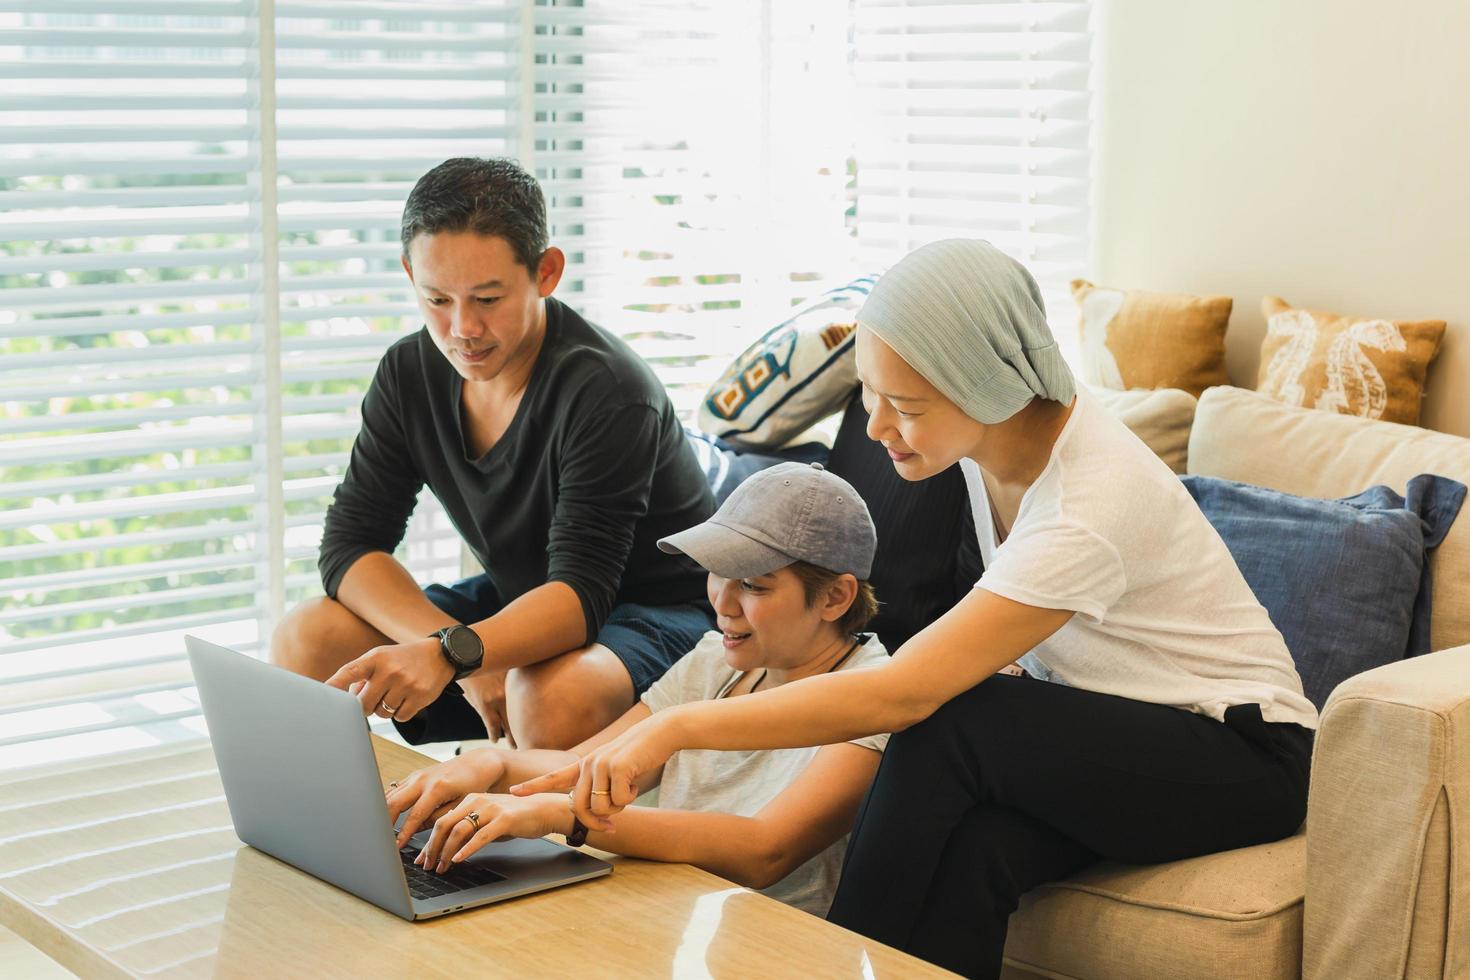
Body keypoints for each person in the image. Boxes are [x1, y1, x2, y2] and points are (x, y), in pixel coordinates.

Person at [512, 240, 1319, 978]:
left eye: (906, 404)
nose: (876, 426)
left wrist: (674, 726)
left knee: (952, 718)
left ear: (989, 382)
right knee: (978, 851)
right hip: (1122, 736)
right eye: (871, 392)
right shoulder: (987, 450)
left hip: (1244, 757)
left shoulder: (1091, 499)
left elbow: (905, 693)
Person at [270, 157, 716, 750]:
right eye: (437, 299)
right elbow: (350, 547)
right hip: (529, 597)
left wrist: (458, 656)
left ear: (546, 273)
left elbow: (582, 595)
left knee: (548, 697)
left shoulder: (608, 392)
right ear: (409, 274)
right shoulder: (410, 373)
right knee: (309, 636)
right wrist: (456, 648)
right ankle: (339, 832)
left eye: (487, 298)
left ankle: (519, 836)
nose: (462, 329)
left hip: (653, 611)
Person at [384, 462, 889, 917]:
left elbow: (764, 850)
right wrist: (490, 766)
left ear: (836, 597)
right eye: (718, 573)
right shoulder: (717, 659)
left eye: (755, 585)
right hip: (660, 905)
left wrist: (564, 818)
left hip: (763, 937)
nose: (723, 603)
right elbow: (589, 764)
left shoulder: (873, 694)